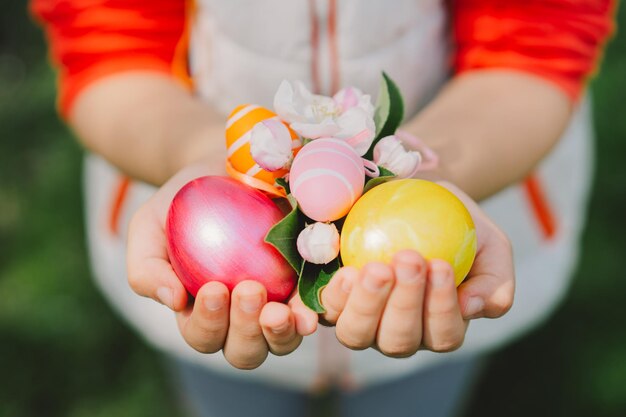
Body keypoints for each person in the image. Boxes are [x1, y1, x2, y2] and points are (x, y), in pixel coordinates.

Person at [31, 1, 615, 416]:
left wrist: (419, 169)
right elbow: (110, 42)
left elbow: (535, 47)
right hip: (206, 262)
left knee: (419, 395)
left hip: (450, 268)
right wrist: (207, 155)